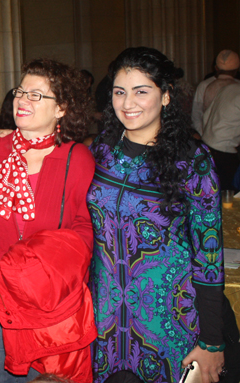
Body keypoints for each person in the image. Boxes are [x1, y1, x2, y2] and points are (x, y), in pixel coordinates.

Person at [87, 47, 225, 383]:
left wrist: (212, 341)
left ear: (165, 96)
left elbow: (209, 257)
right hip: (103, 321)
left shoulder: (192, 160)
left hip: (166, 323)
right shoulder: (100, 151)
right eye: (120, 92)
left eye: (141, 91)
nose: (128, 103)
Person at [0, 58, 96, 383]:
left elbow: (85, 229)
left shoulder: (76, 159)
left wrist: (39, 273)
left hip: (51, 308)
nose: (23, 100)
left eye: (37, 95)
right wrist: (7, 271)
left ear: (62, 108)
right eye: (21, 91)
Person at [191, 49, 240, 135]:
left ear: (216, 68)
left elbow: (196, 114)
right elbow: (196, 115)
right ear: (236, 70)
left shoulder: (205, 85)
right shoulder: (204, 85)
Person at [202, 81, 240, 190]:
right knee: (227, 192)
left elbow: (206, 115)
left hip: (207, 145)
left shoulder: (229, 87)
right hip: (225, 150)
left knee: (210, 189)